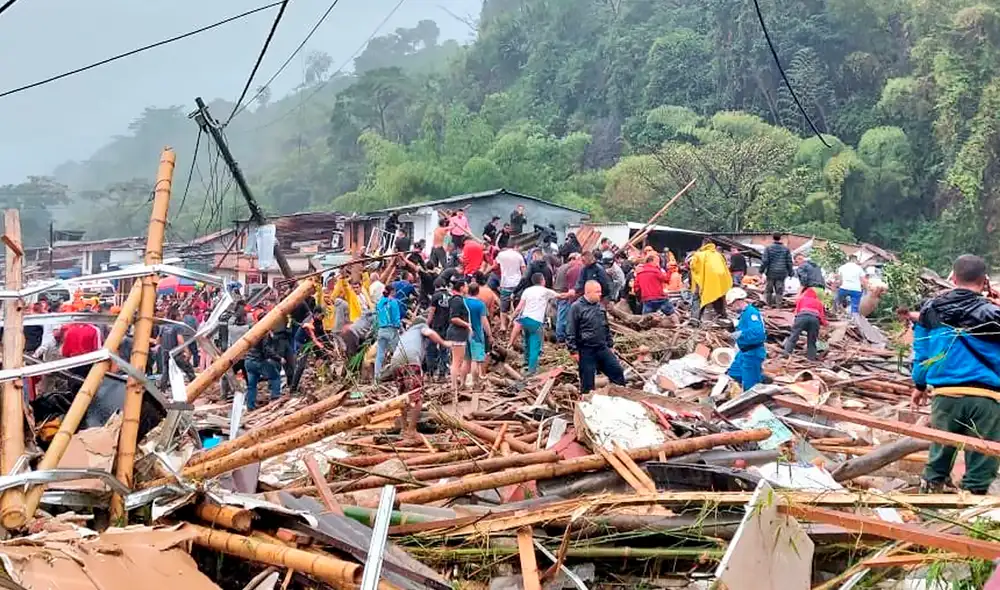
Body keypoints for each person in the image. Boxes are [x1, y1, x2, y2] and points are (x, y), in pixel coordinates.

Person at [912, 254, 1000, 494]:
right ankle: (973, 507)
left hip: (946, 394)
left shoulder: (930, 310)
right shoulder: (994, 314)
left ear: (952, 276)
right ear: (984, 281)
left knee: (940, 451)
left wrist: (919, 385)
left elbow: (921, 353)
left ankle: (928, 497)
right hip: (988, 398)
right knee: (984, 456)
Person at [375, 319, 449, 440]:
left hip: (395, 362)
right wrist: (444, 343)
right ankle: (411, 430)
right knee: (417, 398)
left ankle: (404, 429)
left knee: (403, 398)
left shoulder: (406, 334)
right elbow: (429, 333)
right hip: (410, 360)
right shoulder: (421, 327)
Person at [567, 280, 626, 394]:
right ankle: (587, 403)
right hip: (586, 349)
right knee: (587, 381)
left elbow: (605, 326)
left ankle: (620, 396)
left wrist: (610, 344)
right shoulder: (577, 307)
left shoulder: (600, 306)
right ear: (588, 292)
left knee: (617, 371)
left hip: (602, 347)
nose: (600, 294)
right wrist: (573, 350)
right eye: (597, 292)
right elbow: (570, 329)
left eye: (600, 291)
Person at [509, 273, 567, 375]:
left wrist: (512, 318)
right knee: (535, 345)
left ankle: (526, 363)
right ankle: (532, 370)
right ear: (542, 280)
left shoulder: (527, 290)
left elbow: (519, 308)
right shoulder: (545, 291)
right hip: (536, 321)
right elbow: (560, 296)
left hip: (525, 319)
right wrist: (571, 294)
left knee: (526, 342)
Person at [726, 288, 766, 391]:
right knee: (734, 372)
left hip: (752, 352)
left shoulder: (751, 313)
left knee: (750, 386)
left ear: (738, 301)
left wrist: (740, 334)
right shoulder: (744, 314)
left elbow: (758, 333)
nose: (732, 308)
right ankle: (759, 378)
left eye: (732, 305)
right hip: (744, 351)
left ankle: (756, 385)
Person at [689, 240, 731, 321]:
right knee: (718, 297)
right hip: (719, 282)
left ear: (703, 244)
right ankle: (722, 317)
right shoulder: (718, 255)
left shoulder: (699, 255)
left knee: (698, 298)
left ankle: (695, 319)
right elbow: (725, 267)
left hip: (704, 281)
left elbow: (693, 266)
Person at [445, 277, 471, 403]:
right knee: (456, 361)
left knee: (457, 360)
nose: (467, 288)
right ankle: (454, 386)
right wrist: (467, 325)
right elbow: (454, 318)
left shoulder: (458, 300)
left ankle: (455, 385)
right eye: (466, 286)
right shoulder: (457, 301)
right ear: (461, 287)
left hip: (458, 333)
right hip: (457, 333)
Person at [783, 287, 827, 360]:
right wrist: (825, 324)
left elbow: (796, 311)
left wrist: (794, 323)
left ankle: (786, 354)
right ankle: (811, 358)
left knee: (793, 337)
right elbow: (822, 316)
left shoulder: (801, 299)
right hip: (814, 319)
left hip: (801, 318)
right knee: (812, 340)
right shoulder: (819, 302)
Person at [244, 331, 283, 410]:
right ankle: (275, 398)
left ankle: (250, 406)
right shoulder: (263, 333)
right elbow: (266, 350)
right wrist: (279, 358)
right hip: (258, 361)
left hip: (248, 361)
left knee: (251, 385)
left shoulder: (252, 331)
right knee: (275, 377)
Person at [464, 282, 492, 390]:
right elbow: (484, 321)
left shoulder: (464, 302)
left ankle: (463, 382)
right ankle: (475, 383)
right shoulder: (480, 305)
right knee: (475, 360)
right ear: (478, 292)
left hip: (464, 334)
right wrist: (489, 335)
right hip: (476, 335)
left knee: (466, 360)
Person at [425, 278, 452, 381]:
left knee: (430, 349)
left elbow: (431, 312)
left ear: (436, 286)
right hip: (447, 326)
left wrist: (427, 324)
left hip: (436, 326)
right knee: (444, 349)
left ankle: (430, 373)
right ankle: (442, 374)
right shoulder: (450, 296)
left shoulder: (435, 296)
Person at [374, 284, 402, 381]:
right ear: (392, 292)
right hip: (391, 330)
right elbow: (396, 317)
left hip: (381, 330)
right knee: (397, 353)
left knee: (380, 354)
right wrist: (398, 326)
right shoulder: (393, 302)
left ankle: (376, 376)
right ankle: (399, 374)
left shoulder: (380, 302)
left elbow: (376, 315)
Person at [553, 253, 583, 342]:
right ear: (573, 259)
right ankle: (561, 337)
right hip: (565, 294)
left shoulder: (561, 267)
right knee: (563, 317)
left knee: (559, 315)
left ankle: (559, 334)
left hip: (557, 292)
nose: (580, 262)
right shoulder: (571, 268)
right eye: (579, 260)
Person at [496, 245, 526, 329]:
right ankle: (517, 325)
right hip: (517, 284)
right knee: (518, 305)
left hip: (505, 284)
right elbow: (524, 271)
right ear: (514, 247)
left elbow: (496, 266)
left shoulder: (501, 255)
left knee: (504, 305)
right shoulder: (519, 255)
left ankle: (503, 325)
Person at [760, 233, 793, 307]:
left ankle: (769, 305)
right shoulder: (786, 249)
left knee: (769, 290)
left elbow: (765, 261)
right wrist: (791, 272)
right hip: (782, 273)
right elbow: (789, 262)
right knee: (779, 291)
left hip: (770, 273)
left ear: (773, 238)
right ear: (780, 238)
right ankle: (778, 305)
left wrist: (761, 271)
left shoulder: (768, 248)